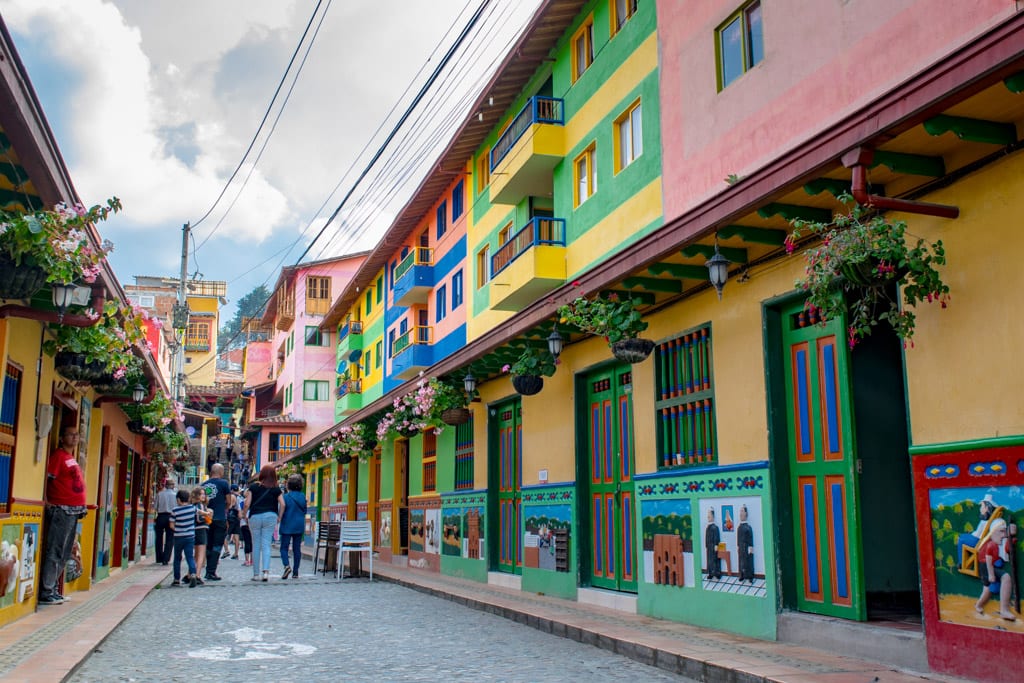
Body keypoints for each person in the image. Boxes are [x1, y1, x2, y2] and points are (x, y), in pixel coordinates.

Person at [38, 426, 87, 605]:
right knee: (56, 549)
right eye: (71, 434)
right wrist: (46, 500)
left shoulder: (71, 458)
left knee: (65, 552)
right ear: (61, 438)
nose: (75, 438)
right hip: (61, 509)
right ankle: (46, 590)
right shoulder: (58, 457)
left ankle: (52, 588)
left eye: (77, 435)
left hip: (73, 510)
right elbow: (47, 478)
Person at [244, 465, 284, 582]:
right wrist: (279, 517)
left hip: (255, 516)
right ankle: (266, 572)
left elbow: (247, 503)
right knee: (266, 544)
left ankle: (256, 574)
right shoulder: (276, 489)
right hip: (271, 516)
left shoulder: (254, 487)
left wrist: (243, 513)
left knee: (256, 545)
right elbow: (283, 504)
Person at [974, 518, 1017, 621]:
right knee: (991, 587)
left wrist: (1011, 536)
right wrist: (991, 574)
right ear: (993, 531)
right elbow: (988, 560)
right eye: (1001, 531)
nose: (1003, 534)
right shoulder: (991, 544)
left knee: (992, 587)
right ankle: (1001, 610)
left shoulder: (997, 541)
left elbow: (1006, 549)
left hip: (993, 564)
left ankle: (1000, 608)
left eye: (1004, 531)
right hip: (986, 566)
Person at [200, 463, 234, 581]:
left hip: (207, 518)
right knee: (217, 545)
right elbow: (229, 501)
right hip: (219, 518)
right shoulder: (224, 483)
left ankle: (208, 570)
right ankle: (211, 571)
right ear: (220, 472)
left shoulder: (203, 485)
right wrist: (224, 509)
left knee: (208, 544)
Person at [279, 474, 307, 579]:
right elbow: (304, 510)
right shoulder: (303, 496)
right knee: (297, 549)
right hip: (299, 525)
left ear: (289, 485)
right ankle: (296, 571)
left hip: (287, 524)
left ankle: (286, 566)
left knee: (284, 548)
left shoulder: (285, 497)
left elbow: (281, 509)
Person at [169, 489, 198, 588]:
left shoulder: (175, 510)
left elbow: (171, 525)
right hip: (190, 536)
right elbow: (200, 513)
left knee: (177, 558)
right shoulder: (193, 508)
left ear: (178, 499)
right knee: (189, 556)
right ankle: (193, 574)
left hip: (178, 537)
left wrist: (178, 528)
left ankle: (176, 579)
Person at [190, 487, 212, 585]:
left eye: (204, 494)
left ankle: (190, 574)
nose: (203, 496)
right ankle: (197, 575)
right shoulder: (201, 506)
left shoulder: (192, 505)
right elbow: (199, 519)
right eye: (201, 494)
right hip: (201, 530)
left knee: (196, 554)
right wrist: (208, 517)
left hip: (194, 530)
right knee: (201, 555)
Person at [153, 479, 176, 565]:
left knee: (159, 537)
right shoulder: (175, 495)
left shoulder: (160, 494)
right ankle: (166, 559)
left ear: (165, 485)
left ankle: (159, 557)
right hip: (171, 516)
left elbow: (155, 507)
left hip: (161, 516)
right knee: (170, 538)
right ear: (173, 486)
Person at [238, 490, 253, 566]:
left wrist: (244, 516)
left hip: (244, 524)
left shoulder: (241, 503)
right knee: (252, 542)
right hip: (254, 524)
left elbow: (240, 515)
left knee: (247, 542)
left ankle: (247, 560)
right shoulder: (255, 502)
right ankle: (252, 560)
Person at [225, 484, 241, 559]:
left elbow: (229, 506)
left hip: (230, 517)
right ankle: (236, 553)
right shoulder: (239, 497)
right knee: (236, 535)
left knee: (226, 534)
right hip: (236, 517)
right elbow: (239, 508)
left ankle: (226, 550)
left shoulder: (231, 496)